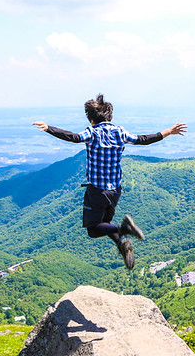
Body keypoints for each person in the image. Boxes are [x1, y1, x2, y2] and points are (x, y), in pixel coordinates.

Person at [33, 94, 186, 270]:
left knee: (94, 230)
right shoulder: (120, 132)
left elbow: (73, 137)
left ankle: (124, 228)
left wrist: (48, 128)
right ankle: (122, 244)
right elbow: (144, 140)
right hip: (115, 191)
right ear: (110, 116)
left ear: (91, 119)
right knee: (105, 224)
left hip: (97, 191)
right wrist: (169, 131)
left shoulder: (92, 132)